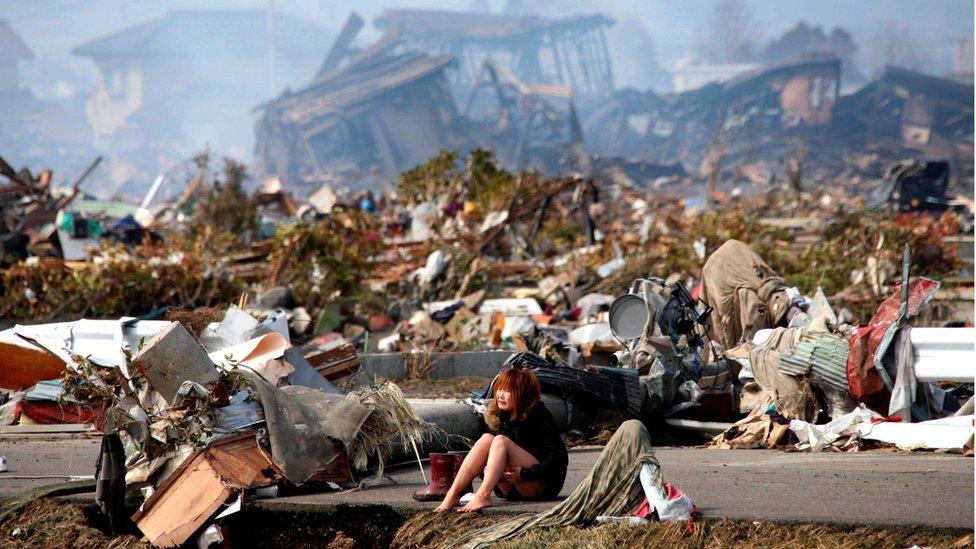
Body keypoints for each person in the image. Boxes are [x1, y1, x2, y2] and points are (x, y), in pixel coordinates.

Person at [434, 368, 568, 513]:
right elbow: (482, 460)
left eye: (508, 391)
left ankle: (483, 495)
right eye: (500, 389)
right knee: (486, 439)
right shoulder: (498, 416)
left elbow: (559, 458)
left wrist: (525, 474)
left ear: (522, 394)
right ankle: (452, 495)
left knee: (500, 441)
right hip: (507, 489)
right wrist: (488, 471)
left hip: (538, 485)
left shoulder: (539, 416)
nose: (500, 395)